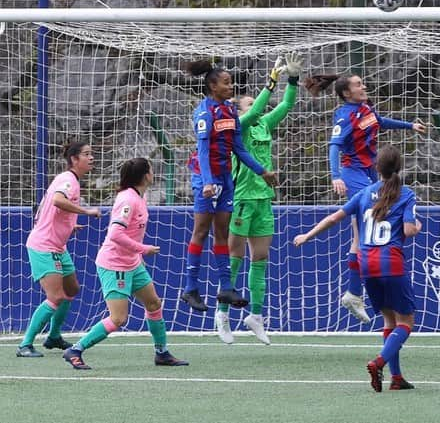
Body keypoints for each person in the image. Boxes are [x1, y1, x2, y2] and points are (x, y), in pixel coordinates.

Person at [294, 146, 421, 392]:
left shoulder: (364, 193)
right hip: (391, 263)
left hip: (367, 265)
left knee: (388, 319)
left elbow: (333, 219)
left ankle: (396, 378)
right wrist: (417, 225)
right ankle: (379, 362)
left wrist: (307, 236)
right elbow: (408, 230)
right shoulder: (406, 194)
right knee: (406, 322)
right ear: (399, 168)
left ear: (376, 168)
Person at [304, 74, 427, 324]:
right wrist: (336, 176)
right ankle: (353, 292)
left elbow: (379, 121)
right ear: (347, 93)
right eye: (358, 85)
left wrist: (409, 126)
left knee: (360, 235)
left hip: (369, 173)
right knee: (361, 233)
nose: (364, 87)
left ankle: (354, 292)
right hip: (352, 173)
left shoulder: (365, 108)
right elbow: (334, 145)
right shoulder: (344, 115)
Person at [63, 158, 188, 369]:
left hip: (132, 263)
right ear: (144, 175)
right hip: (115, 265)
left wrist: (137, 254)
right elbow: (115, 234)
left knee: (154, 303)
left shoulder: (141, 196)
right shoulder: (128, 200)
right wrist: (143, 249)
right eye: (150, 169)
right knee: (118, 318)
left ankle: (162, 353)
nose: (153, 172)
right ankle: (75, 349)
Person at [213, 52, 303, 345]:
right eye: (249, 103)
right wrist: (271, 82)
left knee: (261, 258)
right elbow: (253, 113)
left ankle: (255, 316)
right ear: (240, 110)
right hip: (241, 197)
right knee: (236, 258)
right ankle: (222, 314)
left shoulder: (264, 123)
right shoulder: (239, 124)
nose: (255, 108)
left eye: (255, 102)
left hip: (264, 198)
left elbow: (287, 104)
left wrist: (292, 78)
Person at [180, 60, 278, 312]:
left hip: (225, 178)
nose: (231, 86)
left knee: (222, 233)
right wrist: (208, 182)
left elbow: (239, 148)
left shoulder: (230, 111)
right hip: (206, 178)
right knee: (201, 231)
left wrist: (262, 171)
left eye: (231, 81)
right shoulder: (204, 112)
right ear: (212, 86)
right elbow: (202, 150)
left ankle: (225, 287)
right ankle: (190, 288)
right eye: (226, 82)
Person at [17, 141, 101, 358]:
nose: (91, 157)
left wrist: (70, 225)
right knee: (55, 296)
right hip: (43, 246)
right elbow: (56, 200)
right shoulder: (67, 180)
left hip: (58, 246)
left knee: (71, 289)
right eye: (86, 154)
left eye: (91, 154)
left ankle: (54, 336)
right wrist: (86, 211)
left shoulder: (70, 180)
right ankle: (25, 345)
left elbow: (50, 210)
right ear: (74, 159)